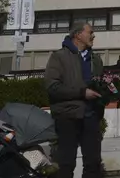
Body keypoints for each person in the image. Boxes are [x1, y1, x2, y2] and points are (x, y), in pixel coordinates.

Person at [44, 22, 104, 178]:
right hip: (67, 117)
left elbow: (100, 84)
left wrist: (106, 94)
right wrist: (81, 93)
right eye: (90, 32)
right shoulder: (59, 57)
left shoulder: (96, 59)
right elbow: (52, 87)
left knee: (93, 163)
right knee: (66, 163)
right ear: (78, 35)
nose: (93, 35)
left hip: (91, 116)